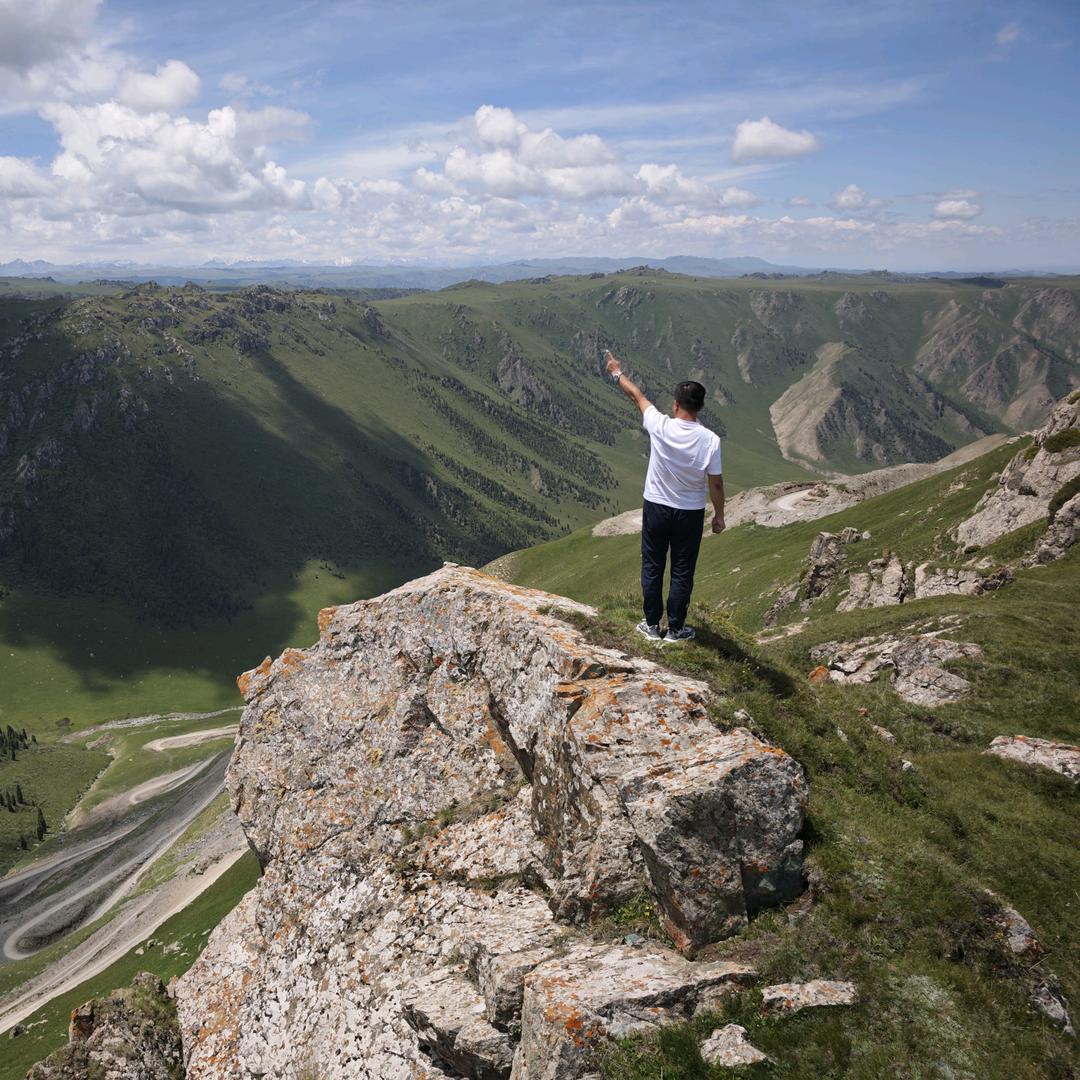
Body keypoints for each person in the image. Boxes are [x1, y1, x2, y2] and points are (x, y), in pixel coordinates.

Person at [604, 349, 725, 641]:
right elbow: (716, 483)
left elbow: (636, 395)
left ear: (675, 405)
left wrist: (616, 372)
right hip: (690, 512)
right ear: (700, 407)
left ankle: (651, 625)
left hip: (657, 506)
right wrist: (719, 515)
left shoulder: (660, 425)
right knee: (682, 569)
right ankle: (676, 628)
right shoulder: (710, 440)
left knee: (653, 564)